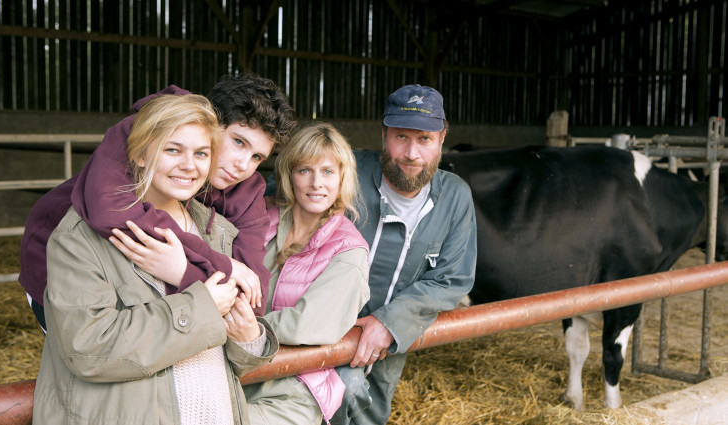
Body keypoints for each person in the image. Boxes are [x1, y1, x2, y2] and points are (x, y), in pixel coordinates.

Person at [32, 94, 278, 425]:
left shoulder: (220, 231)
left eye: (201, 153)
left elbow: (233, 349)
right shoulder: (82, 236)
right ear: (140, 153)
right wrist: (201, 305)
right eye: (172, 149)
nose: (189, 165)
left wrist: (251, 338)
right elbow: (88, 348)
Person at [19, 74, 296, 330]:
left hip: (142, 288)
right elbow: (111, 212)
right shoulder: (151, 130)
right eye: (238, 142)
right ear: (210, 120)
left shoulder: (247, 190)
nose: (243, 165)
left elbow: (253, 290)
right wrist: (222, 265)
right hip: (60, 266)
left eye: (258, 157)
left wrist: (185, 273)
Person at [330, 84, 478, 424]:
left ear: (442, 138)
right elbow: (279, 204)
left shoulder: (454, 197)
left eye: (424, 139)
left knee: (370, 409)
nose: (411, 153)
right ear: (384, 135)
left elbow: (452, 278)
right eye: (401, 137)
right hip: (323, 330)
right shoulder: (342, 172)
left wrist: (392, 321)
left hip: (388, 340)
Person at [244, 123, 370, 425]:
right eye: (305, 170)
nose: (317, 183)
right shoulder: (259, 218)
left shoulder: (349, 251)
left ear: (342, 178)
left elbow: (307, 325)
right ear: (289, 175)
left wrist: (228, 326)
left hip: (293, 388)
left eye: (328, 171)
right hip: (238, 371)